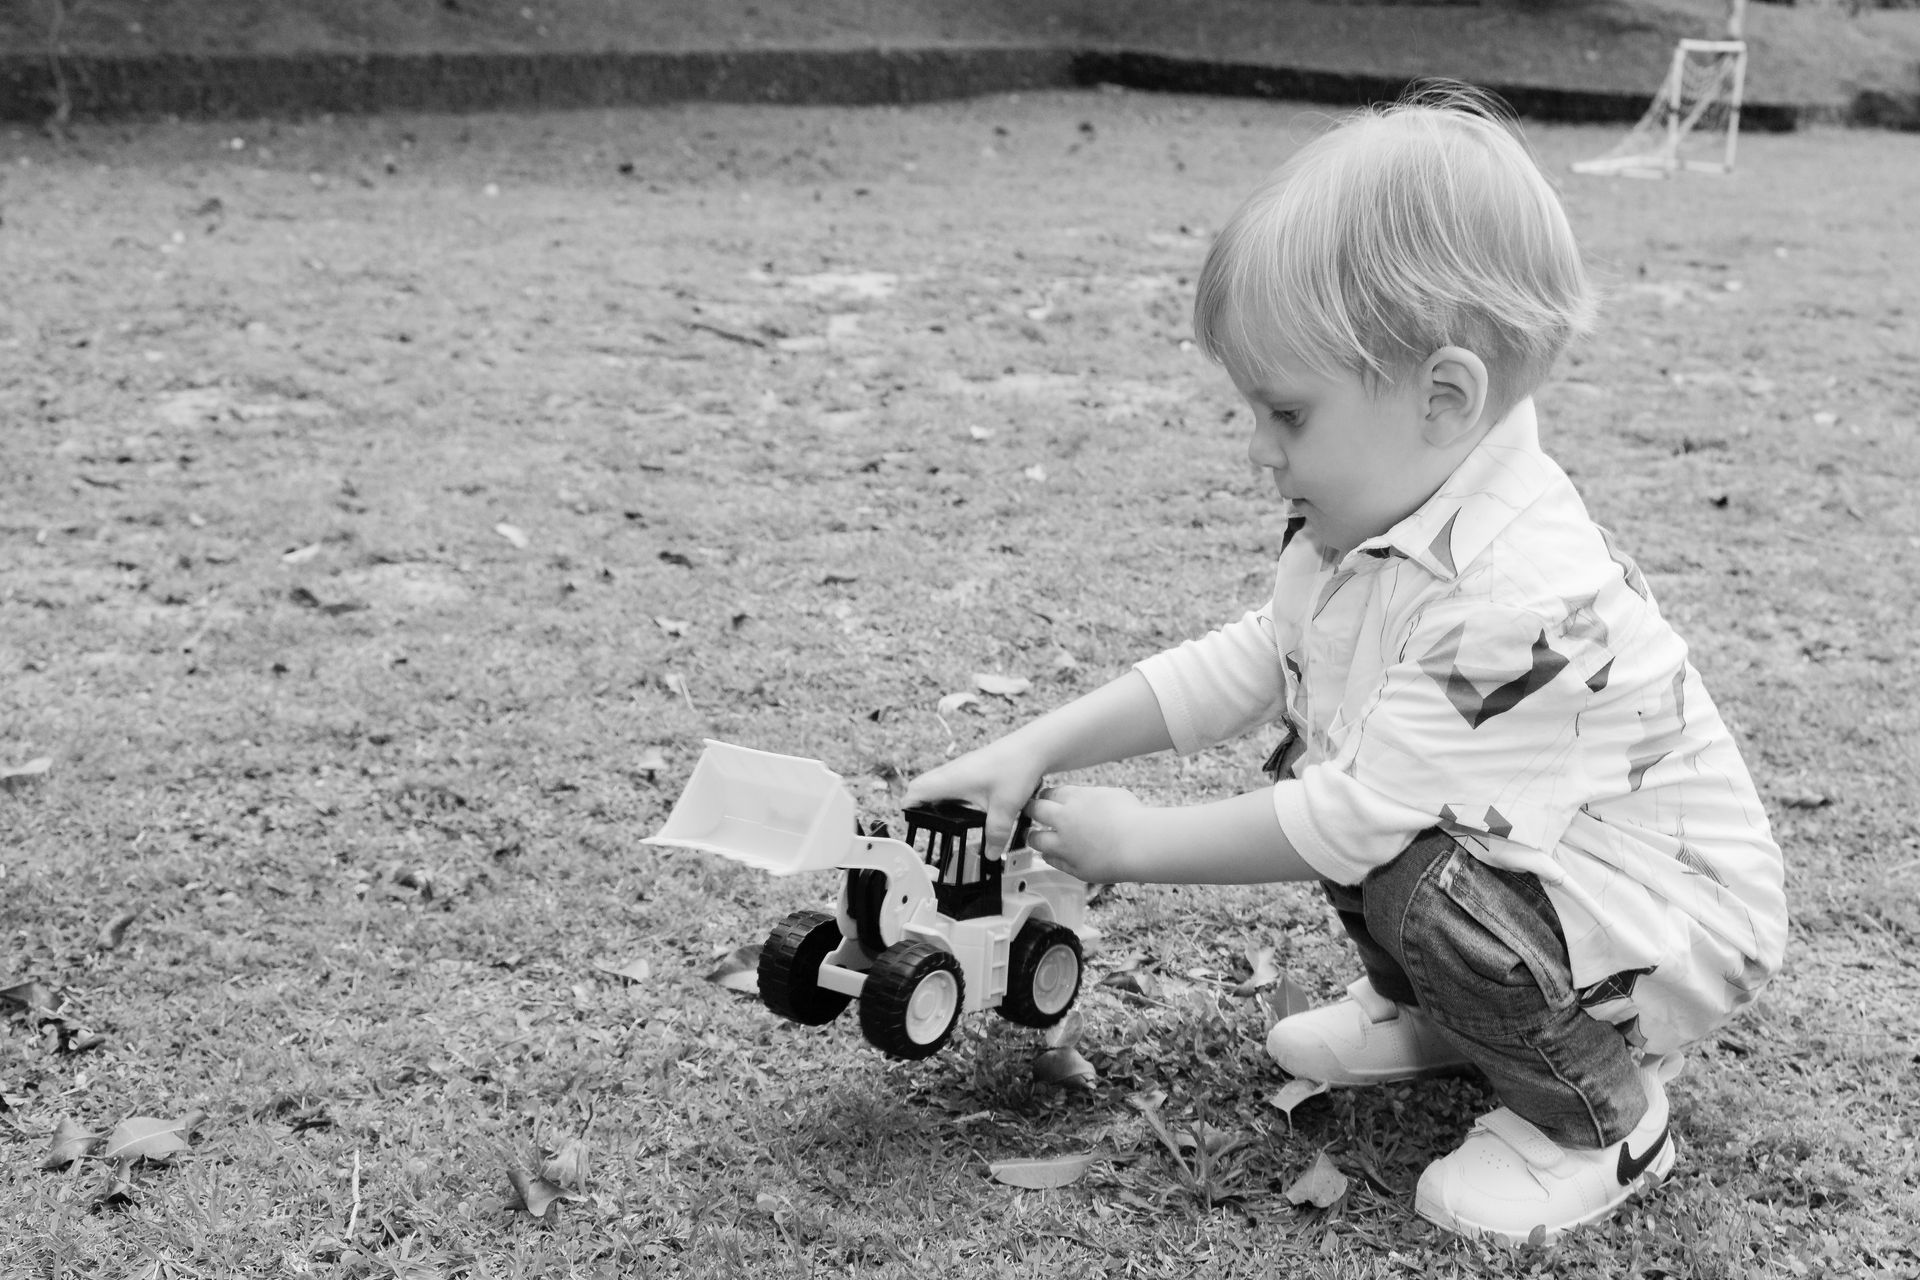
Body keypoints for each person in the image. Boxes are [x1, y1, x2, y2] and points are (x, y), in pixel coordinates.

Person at [903, 84, 1786, 1245]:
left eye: (1287, 412)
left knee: (1410, 855)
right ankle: (1435, 1016)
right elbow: (1256, 663)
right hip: (1546, 877)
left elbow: (1354, 815)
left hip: (1665, 927)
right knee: (1340, 746)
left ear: (1444, 396)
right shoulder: (1373, 521)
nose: (1258, 450)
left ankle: (1601, 1117)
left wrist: (1134, 844)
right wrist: (1035, 746)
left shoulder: (1520, 596)